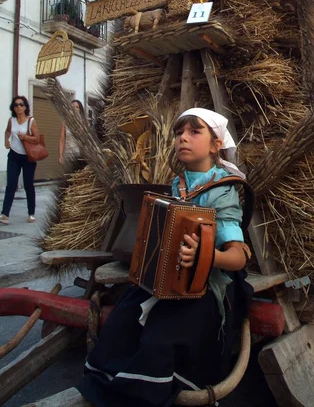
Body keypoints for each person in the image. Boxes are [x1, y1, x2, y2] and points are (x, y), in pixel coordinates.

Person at [77, 107, 253, 407]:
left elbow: (238, 257)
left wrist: (205, 255)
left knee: (159, 339)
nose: (182, 138)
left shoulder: (223, 191)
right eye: (178, 133)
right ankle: (112, 386)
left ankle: (154, 391)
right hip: (170, 279)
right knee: (122, 320)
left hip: (206, 286)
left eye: (194, 132)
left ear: (215, 144)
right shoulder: (178, 183)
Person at [1, 96, 40, 225]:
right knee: (11, 184)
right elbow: (7, 132)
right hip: (14, 155)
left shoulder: (31, 121)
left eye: (21, 105)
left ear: (25, 107)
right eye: (16, 105)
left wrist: (25, 137)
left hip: (28, 157)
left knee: (28, 185)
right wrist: (6, 141)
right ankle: (5, 214)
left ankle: (31, 213)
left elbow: (37, 139)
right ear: (13, 107)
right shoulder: (11, 120)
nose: (19, 107)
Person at [58, 99, 85, 165]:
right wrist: (60, 154)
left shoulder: (83, 123)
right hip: (68, 154)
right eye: (73, 107)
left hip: (80, 154)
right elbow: (62, 139)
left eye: (77, 107)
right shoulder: (65, 122)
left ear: (80, 109)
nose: (75, 109)